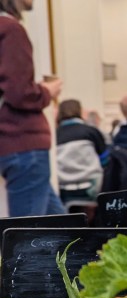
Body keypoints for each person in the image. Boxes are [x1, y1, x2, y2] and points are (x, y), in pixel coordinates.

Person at [0, 0, 65, 217]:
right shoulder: (10, 29)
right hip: (22, 142)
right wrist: (47, 90)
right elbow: (20, 93)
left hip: (13, 143)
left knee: (65, 229)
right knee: (26, 238)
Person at [55, 99, 108, 203]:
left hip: (63, 190)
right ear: (79, 111)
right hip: (92, 188)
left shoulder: (55, 135)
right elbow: (105, 159)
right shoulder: (91, 131)